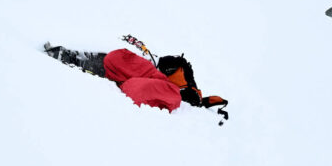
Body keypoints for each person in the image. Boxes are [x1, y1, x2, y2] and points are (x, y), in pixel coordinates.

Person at [43, 41, 228, 121]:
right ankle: (76, 59)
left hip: (157, 86)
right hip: (153, 77)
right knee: (118, 62)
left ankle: (82, 62)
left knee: (131, 81)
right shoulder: (178, 78)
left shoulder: (181, 94)